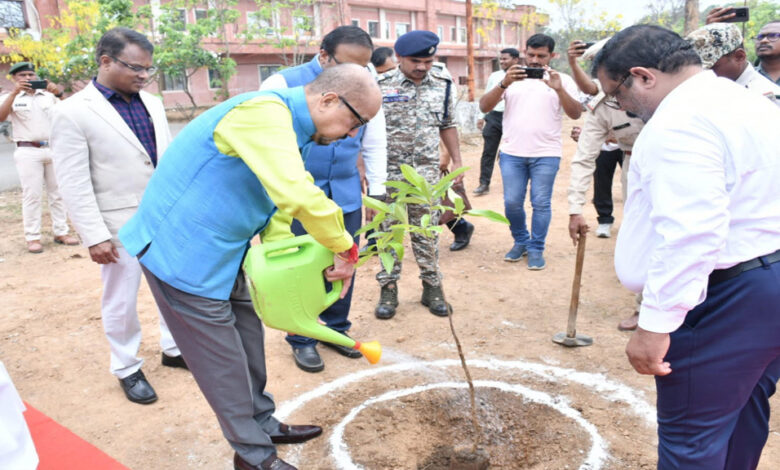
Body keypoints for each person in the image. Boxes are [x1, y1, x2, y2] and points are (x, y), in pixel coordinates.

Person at [118, 64, 381, 470]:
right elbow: (295, 191)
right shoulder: (264, 113)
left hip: (228, 250)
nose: (351, 135)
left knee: (248, 341)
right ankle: (254, 456)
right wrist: (346, 247)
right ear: (329, 99)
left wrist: (281, 266)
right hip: (184, 256)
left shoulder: (298, 130)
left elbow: (272, 200)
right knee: (222, 361)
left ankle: (262, 422)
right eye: (354, 122)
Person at [595, 24, 780, 469]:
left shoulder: (678, 123)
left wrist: (654, 325)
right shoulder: (742, 100)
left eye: (615, 92)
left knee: (690, 440)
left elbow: (691, 234)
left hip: (728, 296)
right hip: (765, 282)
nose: (619, 105)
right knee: (742, 409)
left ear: (642, 76)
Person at [50, 28, 183, 406]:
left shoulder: (152, 103)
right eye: (134, 67)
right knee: (121, 300)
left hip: (162, 217)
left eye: (148, 69)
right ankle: (127, 367)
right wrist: (94, 235)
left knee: (170, 290)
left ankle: (173, 350)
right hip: (116, 224)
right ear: (105, 61)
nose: (143, 75)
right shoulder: (72, 112)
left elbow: (162, 159)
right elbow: (73, 182)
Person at [260, 25, 387, 373]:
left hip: (345, 192)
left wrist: (376, 193)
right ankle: (301, 338)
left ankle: (335, 329)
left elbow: (375, 143)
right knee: (298, 269)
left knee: (345, 262)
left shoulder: (365, 88)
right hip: (295, 197)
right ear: (323, 55)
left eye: (364, 68)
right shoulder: (282, 85)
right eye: (346, 65)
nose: (356, 74)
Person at [373, 30, 463, 320]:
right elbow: (365, 131)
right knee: (388, 232)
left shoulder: (443, 83)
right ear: (398, 57)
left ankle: (432, 287)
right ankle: (388, 289)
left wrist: (457, 165)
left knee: (427, 231)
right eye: (415, 61)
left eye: (428, 60)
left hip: (426, 176)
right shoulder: (379, 84)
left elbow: (447, 124)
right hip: (389, 174)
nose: (422, 66)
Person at [480, 33, 582, 270]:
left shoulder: (562, 79)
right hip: (512, 152)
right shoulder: (508, 77)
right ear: (524, 52)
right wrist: (504, 83)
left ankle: (536, 248)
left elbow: (575, 113)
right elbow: (484, 106)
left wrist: (559, 90)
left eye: (541, 56)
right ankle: (521, 241)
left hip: (547, 153)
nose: (535, 61)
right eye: (531, 55)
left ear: (552, 56)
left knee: (541, 202)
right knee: (512, 203)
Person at [566, 39, 646, 331]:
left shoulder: (668, 92)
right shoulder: (602, 106)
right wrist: (575, 209)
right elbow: (584, 157)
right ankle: (644, 308)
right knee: (642, 233)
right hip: (633, 166)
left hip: (683, 166)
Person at [0, 62, 79, 253]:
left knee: (58, 193)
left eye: (30, 75)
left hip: (53, 148)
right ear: (14, 79)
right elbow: (1, 117)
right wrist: (13, 94)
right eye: (22, 76)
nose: (28, 79)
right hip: (28, 150)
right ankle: (32, 237)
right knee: (32, 196)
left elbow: (72, 112)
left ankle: (61, 232)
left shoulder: (48, 96)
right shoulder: (9, 97)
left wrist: (58, 93)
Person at [687, 22, 780, 106]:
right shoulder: (699, 91)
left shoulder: (768, 98)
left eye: (710, 67)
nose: (703, 74)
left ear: (739, 57)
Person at [473, 48, 521, 197]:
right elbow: (487, 96)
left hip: (514, 117)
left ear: (515, 60)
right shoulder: (495, 76)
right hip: (493, 116)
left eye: (505, 59)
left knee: (514, 152)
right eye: (501, 59)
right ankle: (484, 183)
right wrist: (481, 116)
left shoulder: (523, 76)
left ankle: (516, 183)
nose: (502, 62)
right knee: (488, 151)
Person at [706, 9, 780, 85]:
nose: (764, 40)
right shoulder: (737, 76)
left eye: (772, 36)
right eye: (760, 37)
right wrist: (712, 33)